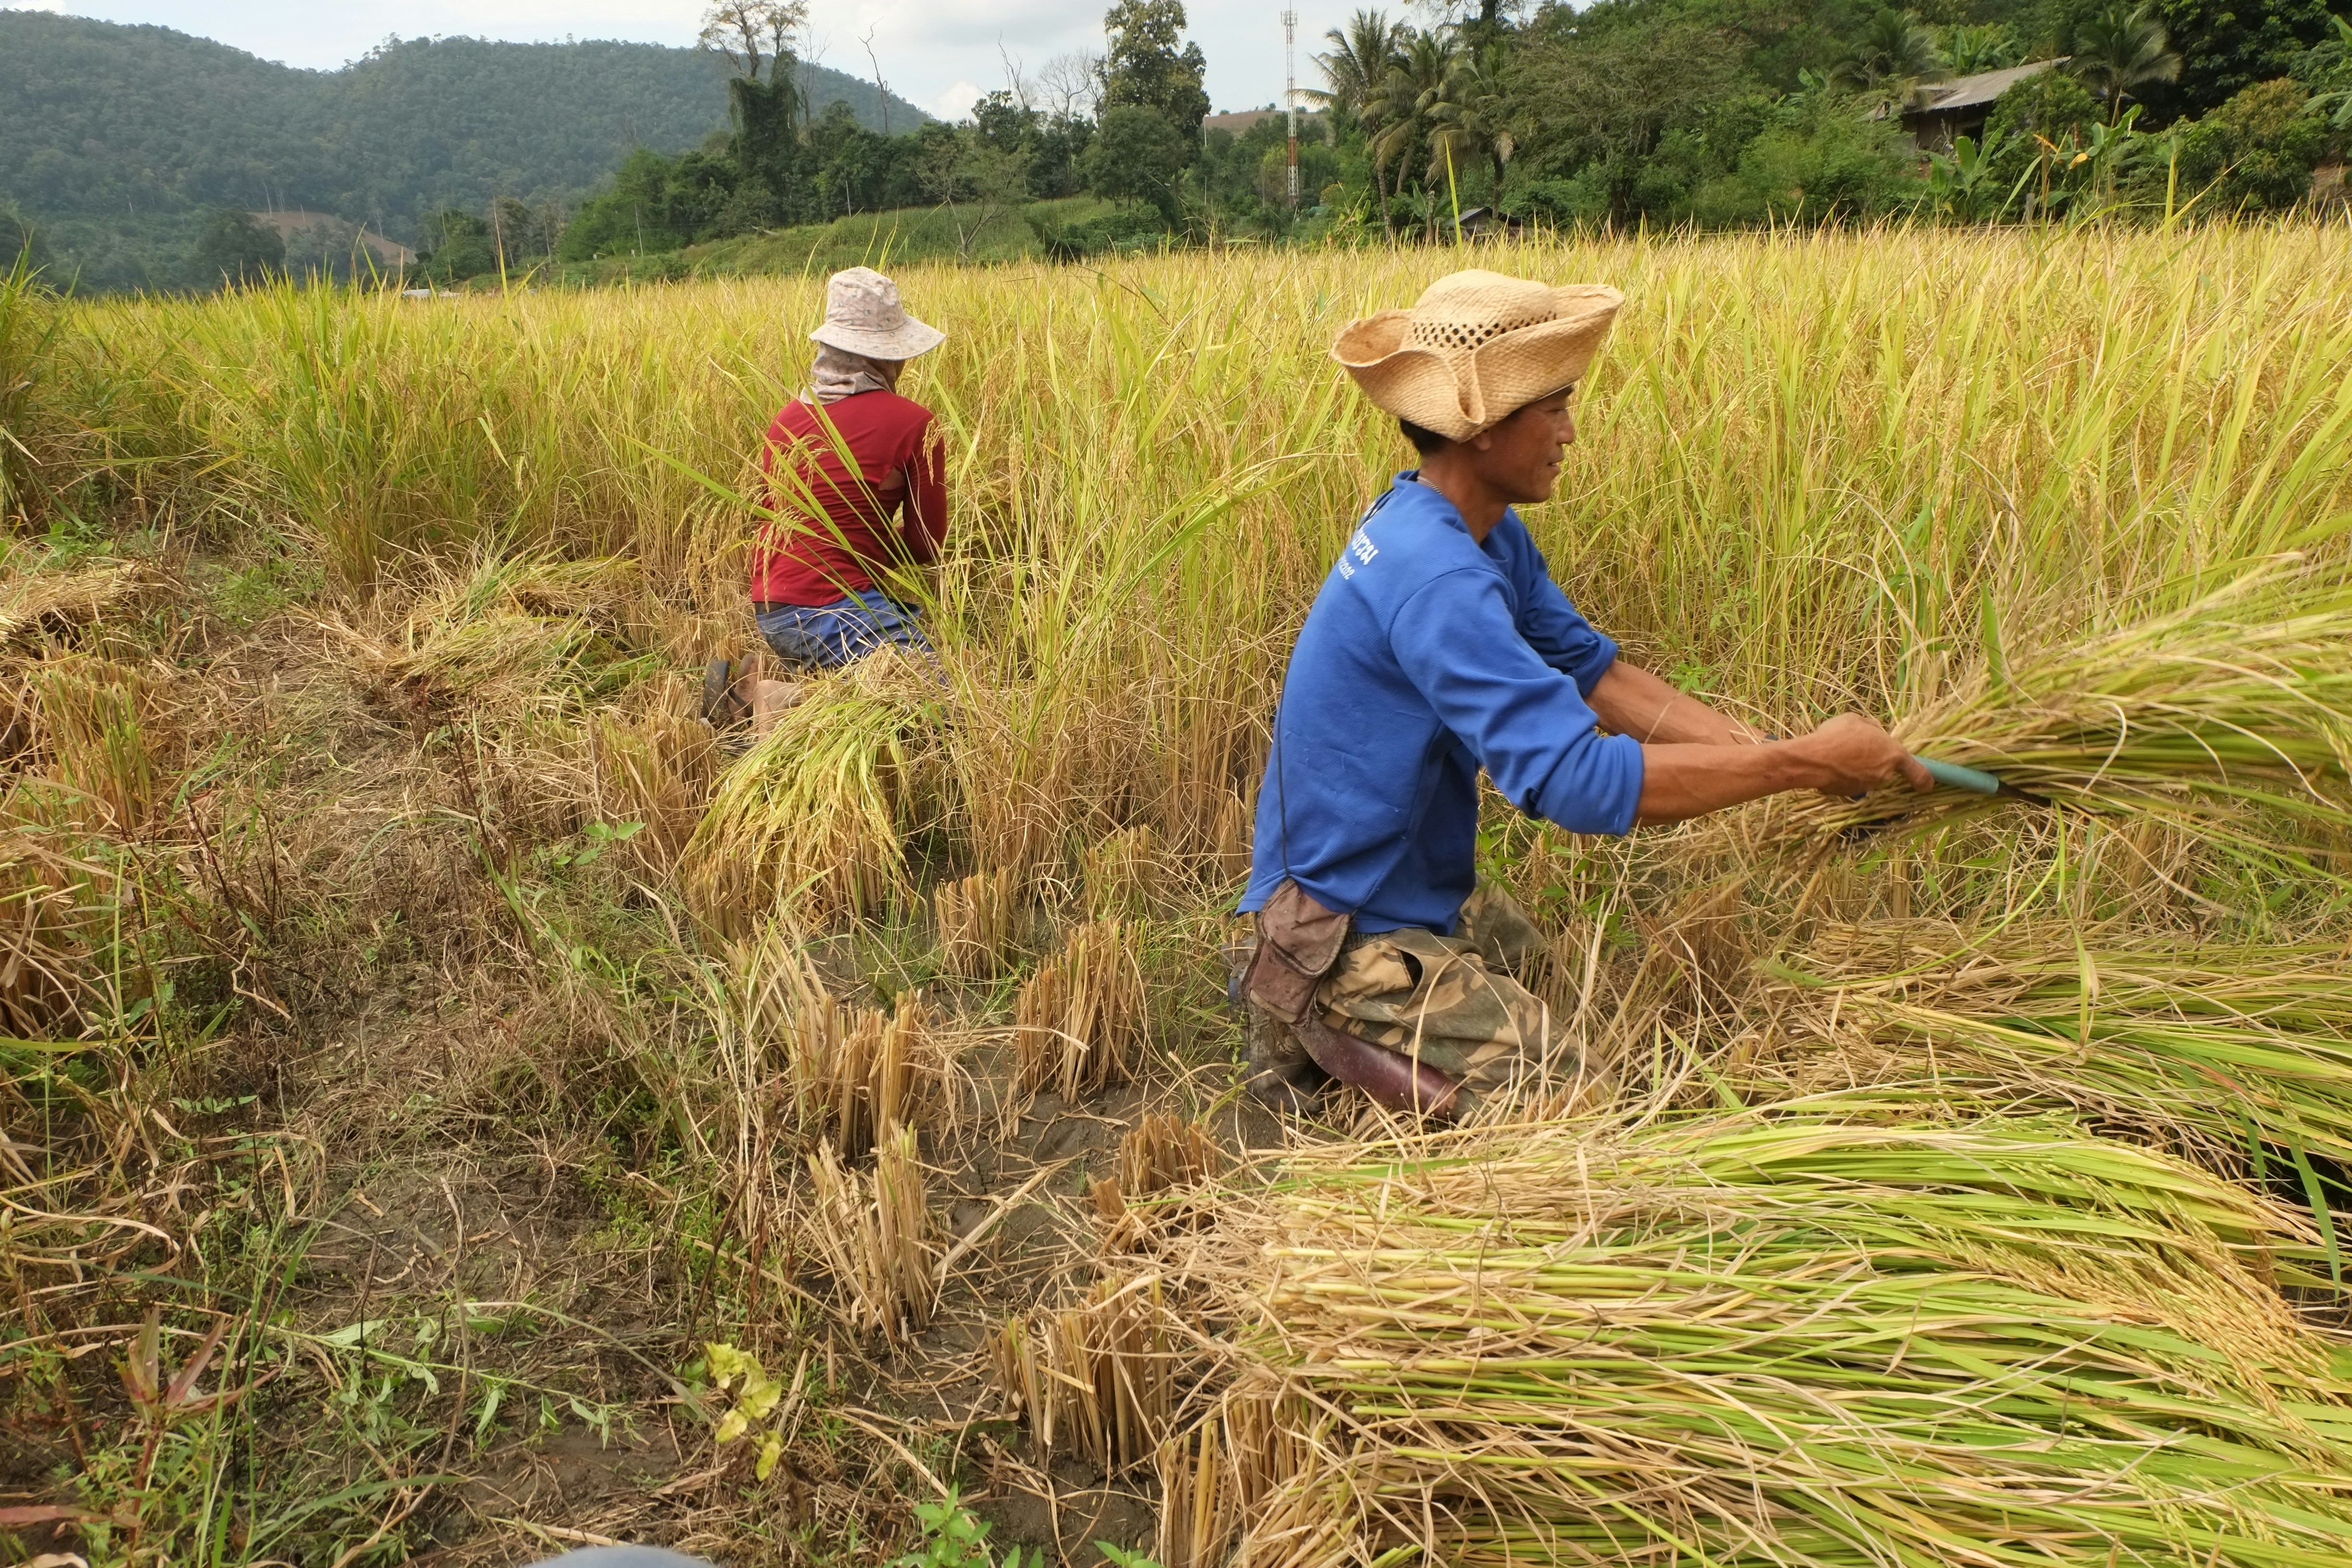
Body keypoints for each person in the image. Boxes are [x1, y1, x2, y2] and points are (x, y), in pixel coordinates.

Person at [1236, 269, 1932, 1120]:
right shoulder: (1438, 576)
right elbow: (1577, 783)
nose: (1570, 430)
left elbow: (1595, 675)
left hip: (1402, 892)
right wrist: (1794, 764)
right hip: (1341, 933)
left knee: (1541, 974)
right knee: (1578, 1105)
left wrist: (1774, 758)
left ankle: (1361, 1055)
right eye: (1554, 407)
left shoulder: (1470, 529)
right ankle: (1314, 1037)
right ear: (1485, 426)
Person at [708, 267, 948, 729]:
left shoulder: (788, 420)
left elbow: (774, 515)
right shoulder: (915, 423)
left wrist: (855, 535)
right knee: (935, 705)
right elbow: (926, 548)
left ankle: (755, 698)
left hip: (772, 608)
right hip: (831, 610)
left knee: (869, 688)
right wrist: (871, 539)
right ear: (888, 357)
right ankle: (776, 701)